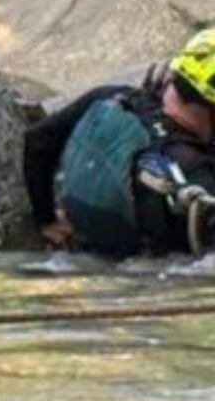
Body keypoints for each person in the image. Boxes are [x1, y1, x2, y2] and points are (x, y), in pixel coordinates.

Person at [23, 29, 215, 257]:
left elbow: (37, 140)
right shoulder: (195, 174)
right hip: (148, 273)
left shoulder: (111, 99)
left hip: (85, 243)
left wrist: (47, 221)